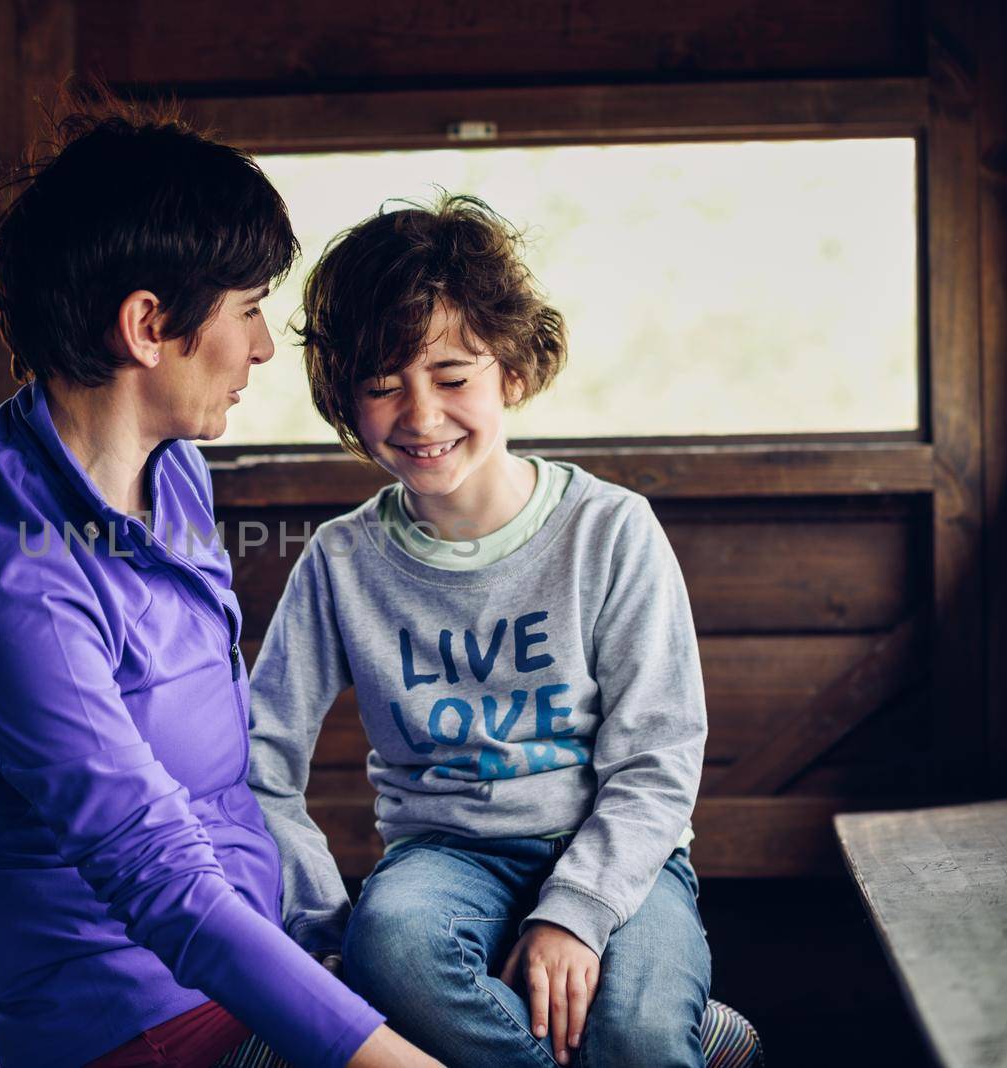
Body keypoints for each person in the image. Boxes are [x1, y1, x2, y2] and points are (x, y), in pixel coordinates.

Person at [0, 97, 435, 1068]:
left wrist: (326, 944)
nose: (266, 346)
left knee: (688, 1035)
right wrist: (384, 1056)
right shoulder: (5, 580)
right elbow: (153, 872)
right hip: (144, 1025)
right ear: (149, 326)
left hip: (258, 962)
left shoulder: (170, 462)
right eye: (247, 309)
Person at [247, 194, 712, 1067]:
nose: (421, 417)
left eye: (453, 377)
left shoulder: (611, 530)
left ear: (514, 372)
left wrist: (574, 912)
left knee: (643, 1035)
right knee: (391, 943)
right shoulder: (340, 561)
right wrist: (316, 922)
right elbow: (257, 760)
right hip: (442, 862)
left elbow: (659, 753)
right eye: (383, 387)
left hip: (618, 857)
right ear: (347, 403)